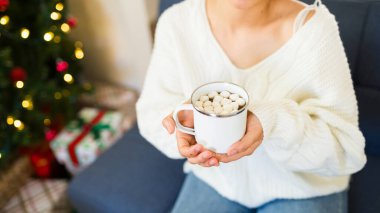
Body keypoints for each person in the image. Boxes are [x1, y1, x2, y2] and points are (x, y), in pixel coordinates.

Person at [136, 0, 367, 212]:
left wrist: (273, 123)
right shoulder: (176, 24)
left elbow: (346, 150)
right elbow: (151, 114)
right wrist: (188, 130)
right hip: (217, 180)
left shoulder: (315, 30)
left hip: (302, 188)